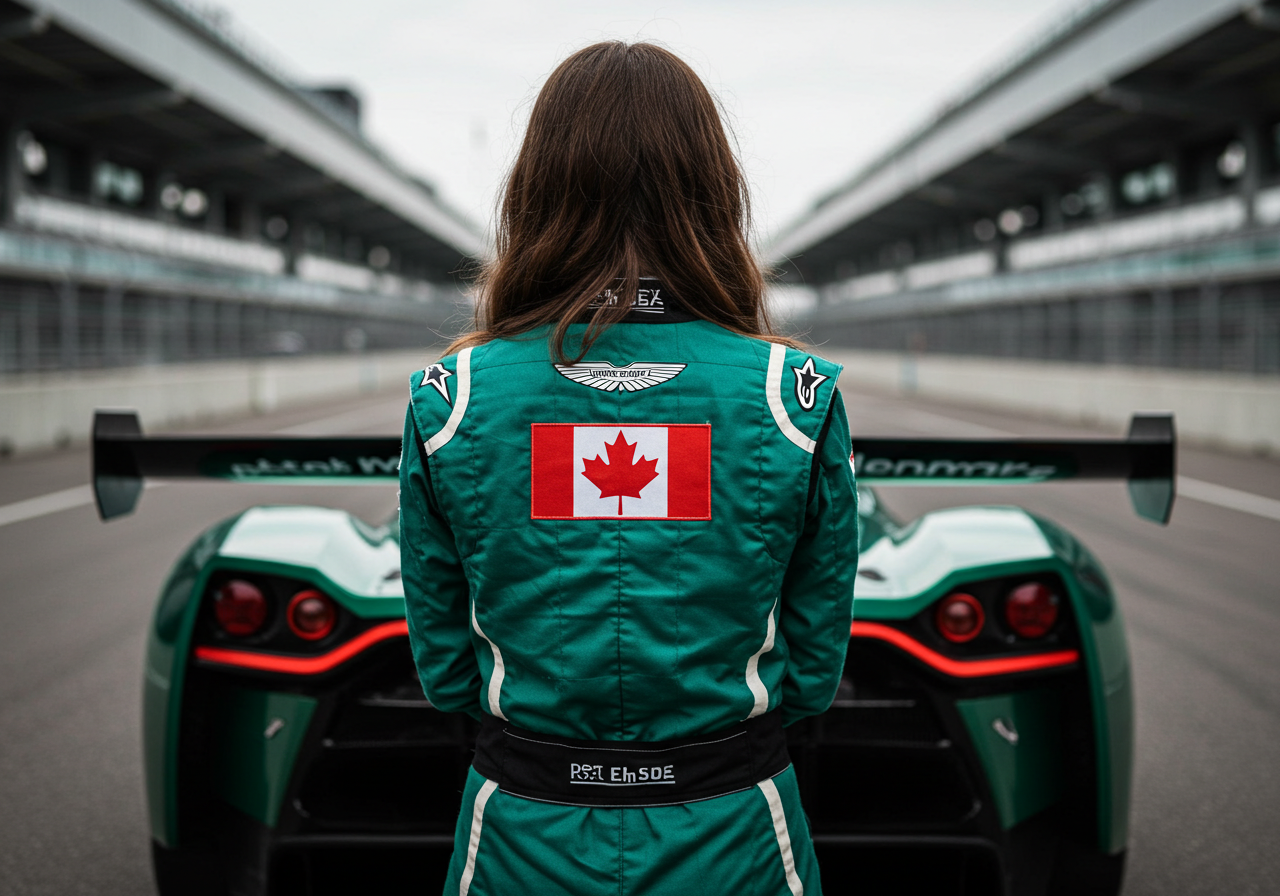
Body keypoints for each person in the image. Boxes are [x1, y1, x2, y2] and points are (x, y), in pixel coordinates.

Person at [399, 40, 858, 896]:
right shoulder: (792, 395)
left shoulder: (451, 397)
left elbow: (446, 670)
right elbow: (814, 668)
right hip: (738, 832)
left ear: (534, 191)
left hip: (518, 834)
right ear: (715, 190)